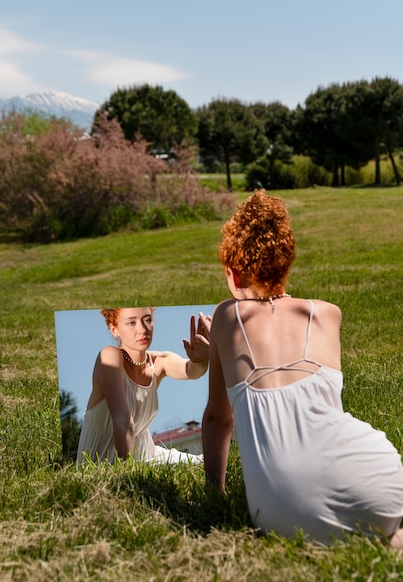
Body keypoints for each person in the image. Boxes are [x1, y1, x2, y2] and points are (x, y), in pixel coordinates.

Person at [202, 190, 403, 547]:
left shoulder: (225, 317)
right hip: (376, 479)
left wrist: (214, 499)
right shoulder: (327, 313)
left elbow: (219, 421)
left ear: (233, 274)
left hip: (276, 512)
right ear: (286, 263)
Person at [77, 307, 211, 465]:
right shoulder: (109, 357)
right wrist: (129, 474)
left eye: (147, 320)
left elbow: (191, 371)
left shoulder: (160, 361)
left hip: (146, 453)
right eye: (131, 323)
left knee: (204, 464)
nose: (142, 329)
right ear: (114, 330)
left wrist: (200, 360)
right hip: (107, 462)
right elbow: (123, 420)